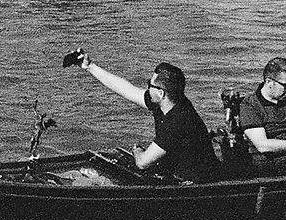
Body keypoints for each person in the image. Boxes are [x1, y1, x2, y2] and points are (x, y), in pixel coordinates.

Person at [60, 51, 218, 182]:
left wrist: (137, 150)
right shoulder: (168, 101)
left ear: (161, 93)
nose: (147, 87)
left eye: (150, 84)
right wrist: (90, 67)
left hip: (194, 181)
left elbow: (142, 162)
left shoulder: (178, 121)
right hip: (176, 170)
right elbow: (125, 89)